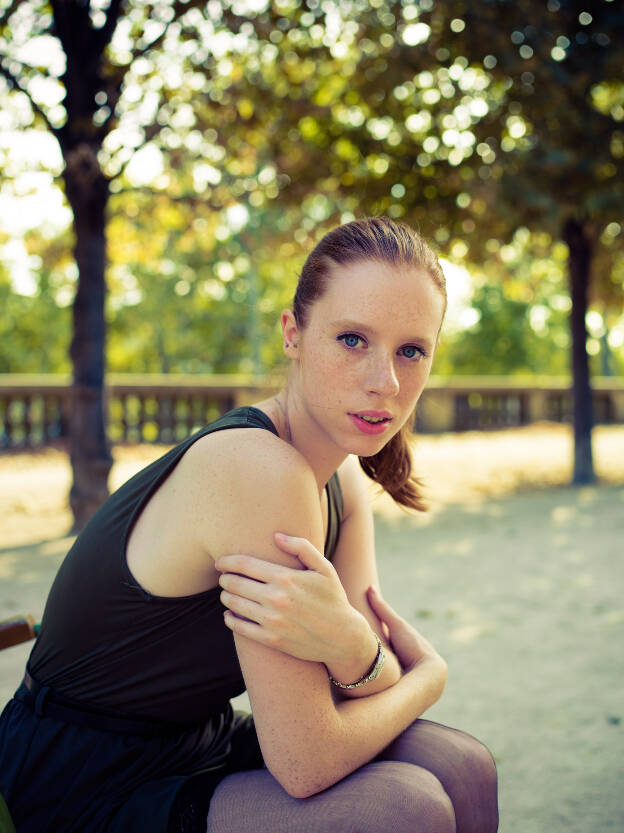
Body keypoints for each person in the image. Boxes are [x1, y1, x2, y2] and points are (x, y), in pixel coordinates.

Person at [0, 217, 498, 833]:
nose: (385, 383)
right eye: (352, 340)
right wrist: (427, 677)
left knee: (463, 765)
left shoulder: (341, 482)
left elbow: (357, 688)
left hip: (197, 739)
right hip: (82, 776)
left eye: (411, 350)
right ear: (293, 333)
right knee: (405, 809)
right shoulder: (257, 469)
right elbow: (308, 760)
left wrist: (352, 647)